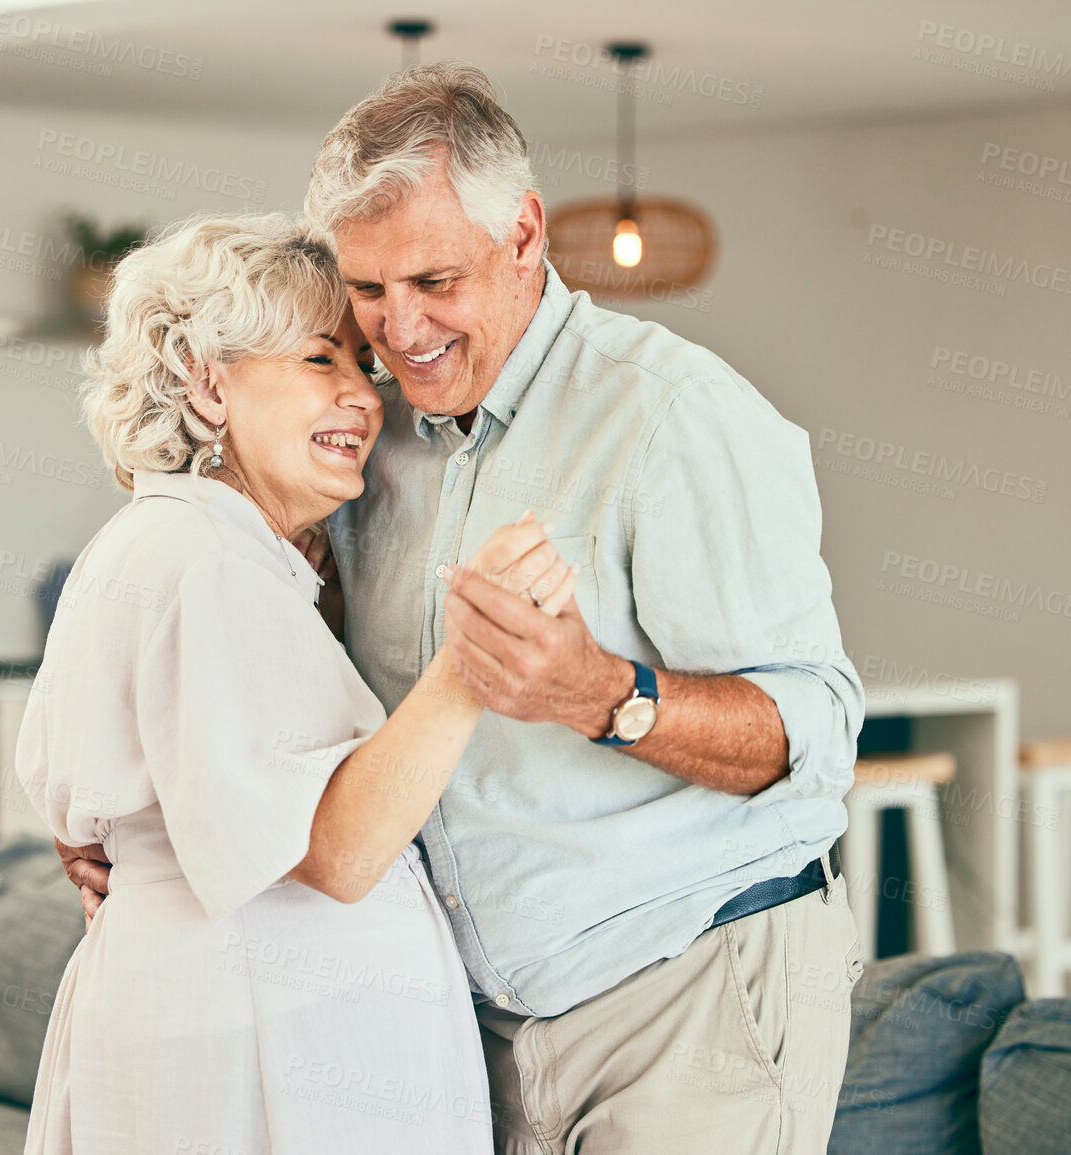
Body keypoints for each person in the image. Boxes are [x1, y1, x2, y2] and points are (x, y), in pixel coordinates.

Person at [67, 64, 867, 1153]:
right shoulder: (367, 441)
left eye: (434, 280)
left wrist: (605, 695)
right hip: (473, 1027)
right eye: (367, 290)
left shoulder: (674, 415)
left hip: (682, 985)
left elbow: (814, 732)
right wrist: (129, 815)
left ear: (526, 233)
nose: (398, 331)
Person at [16, 211, 579, 1154]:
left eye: (365, 366)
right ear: (208, 381)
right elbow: (340, 855)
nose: (366, 396)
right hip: (261, 1046)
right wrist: (478, 648)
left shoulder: (205, 548)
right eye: (323, 359)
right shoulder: (201, 556)